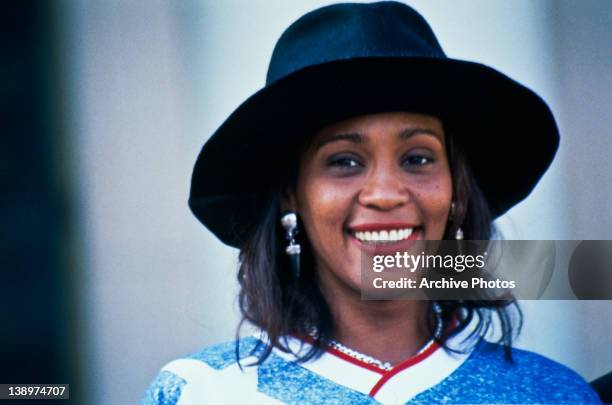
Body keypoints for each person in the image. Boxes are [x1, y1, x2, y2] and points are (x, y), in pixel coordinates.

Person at [143, 2, 601, 404]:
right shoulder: (199, 392)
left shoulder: (553, 394)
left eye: (418, 158)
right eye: (344, 161)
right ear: (291, 193)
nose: (385, 194)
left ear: (457, 189)